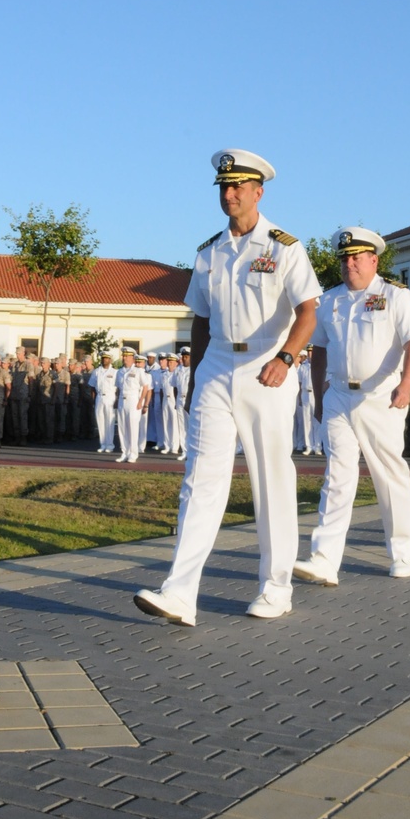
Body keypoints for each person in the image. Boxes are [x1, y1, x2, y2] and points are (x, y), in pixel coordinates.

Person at [134, 149, 319, 625]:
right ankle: (179, 592)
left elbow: (308, 312)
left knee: (271, 480)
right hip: (217, 363)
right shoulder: (208, 252)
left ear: (259, 192)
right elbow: (200, 319)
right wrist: (197, 377)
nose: (229, 194)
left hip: (266, 365)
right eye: (223, 186)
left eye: (238, 186)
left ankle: (276, 587)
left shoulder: (284, 248)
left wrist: (286, 357)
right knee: (200, 481)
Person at [294, 228, 410, 587]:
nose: (349, 263)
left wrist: (406, 385)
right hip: (338, 395)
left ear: (374, 260)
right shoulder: (331, 300)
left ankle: (402, 554)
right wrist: (319, 396)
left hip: (380, 396)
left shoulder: (394, 295)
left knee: (388, 477)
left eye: (356, 257)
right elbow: (319, 350)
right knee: (337, 478)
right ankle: (324, 559)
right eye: (344, 258)